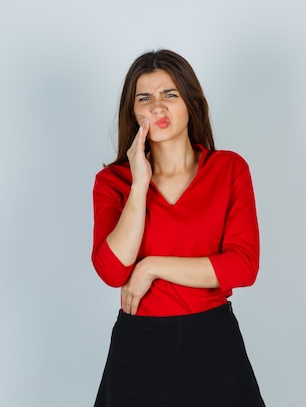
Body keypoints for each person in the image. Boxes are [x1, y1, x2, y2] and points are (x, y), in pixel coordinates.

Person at [92, 49, 265, 407]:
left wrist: (151, 266)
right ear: (133, 112)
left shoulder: (229, 169)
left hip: (213, 342)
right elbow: (112, 271)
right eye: (145, 98)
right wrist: (139, 184)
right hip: (137, 347)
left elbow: (243, 266)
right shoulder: (113, 182)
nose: (158, 107)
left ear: (191, 103)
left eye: (170, 94)